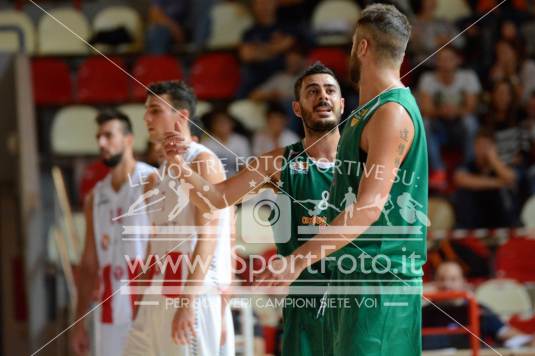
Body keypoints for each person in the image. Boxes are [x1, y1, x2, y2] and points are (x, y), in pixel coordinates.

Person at [259, 4, 429, 355]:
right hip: (352, 283)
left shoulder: (391, 113)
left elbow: (369, 207)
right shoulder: (364, 114)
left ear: (363, 47)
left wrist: (296, 260)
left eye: (353, 44)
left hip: (380, 283)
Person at [162, 63, 345, 355]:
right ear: (297, 108)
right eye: (313, 91)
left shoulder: (363, 161)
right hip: (306, 300)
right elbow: (216, 198)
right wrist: (178, 167)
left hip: (357, 295)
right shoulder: (278, 162)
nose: (322, 96)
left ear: (342, 104)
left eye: (330, 90)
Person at [122, 81, 234, 355]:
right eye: (146, 111)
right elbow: (156, 240)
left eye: (155, 110)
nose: (146, 118)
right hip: (161, 289)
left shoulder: (203, 161)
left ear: (182, 116)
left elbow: (210, 237)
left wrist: (189, 302)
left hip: (194, 291)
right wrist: (143, 294)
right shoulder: (160, 170)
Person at [71, 109, 154, 356]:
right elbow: (88, 263)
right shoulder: (95, 196)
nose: (101, 143)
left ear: (128, 139)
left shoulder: (152, 180)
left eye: (108, 135)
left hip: (148, 304)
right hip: (110, 307)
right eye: (99, 137)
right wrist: (78, 324)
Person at [423, 261, 535, 350]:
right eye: (442, 279)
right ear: (435, 282)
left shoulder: (478, 309)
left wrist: (528, 340)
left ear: (462, 282)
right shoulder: (423, 313)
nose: (447, 284)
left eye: (453, 279)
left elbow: (504, 331)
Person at [417, 45, 481, 189]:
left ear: (458, 60)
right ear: (437, 62)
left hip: (460, 127)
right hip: (440, 128)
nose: (445, 63)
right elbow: (425, 109)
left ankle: (467, 166)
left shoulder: (468, 76)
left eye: (449, 59)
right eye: (442, 59)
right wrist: (443, 112)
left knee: (470, 122)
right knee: (424, 123)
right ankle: (438, 169)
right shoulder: (427, 78)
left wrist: (454, 111)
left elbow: (471, 107)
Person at [453, 129, 517, 228]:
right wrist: (499, 183)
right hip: (474, 216)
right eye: (479, 145)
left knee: (506, 193)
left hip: (499, 216)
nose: (482, 149)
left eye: (486, 146)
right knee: (463, 194)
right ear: (474, 147)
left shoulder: (500, 166)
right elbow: (461, 179)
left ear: (494, 147)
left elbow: (511, 178)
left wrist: (494, 160)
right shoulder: (468, 165)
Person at [237, 0, 301, 97]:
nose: (264, 6)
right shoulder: (250, 33)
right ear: (254, 6)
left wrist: (259, 50)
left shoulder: (288, 27)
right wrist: (277, 48)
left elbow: (293, 59)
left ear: (275, 3)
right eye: (259, 3)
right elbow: (247, 55)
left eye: (267, 2)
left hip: (283, 82)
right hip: (255, 84)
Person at [199, 109, 251, 176]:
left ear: (232, 123)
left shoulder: (241, 141)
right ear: (212, 126)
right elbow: (206, 170)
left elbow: (244, 167)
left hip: (237, 179)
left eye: (226, 122)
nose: (223, 125)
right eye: (219, 123)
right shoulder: (206, 143)